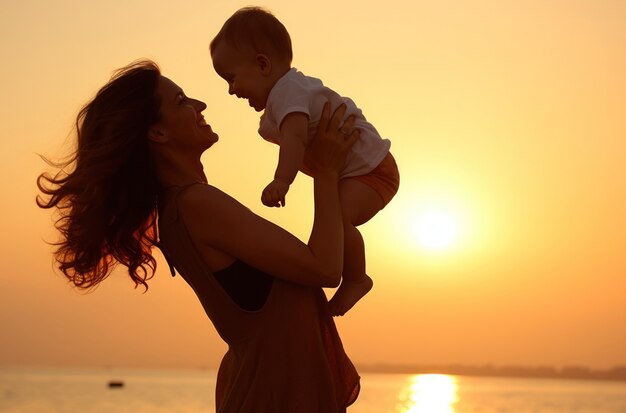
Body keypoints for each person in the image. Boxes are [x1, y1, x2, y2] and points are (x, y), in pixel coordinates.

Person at [37, 60, 361, 412]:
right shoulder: (196, 204)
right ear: (157, 133)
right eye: (181, 101)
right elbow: (325, 267)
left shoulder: (176, 211)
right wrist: (326, 172)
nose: (200, 105)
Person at [210, 6, 400, 316]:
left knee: (337, 218)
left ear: (262, 64)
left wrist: (281, 180)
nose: (232, 90)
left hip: (373, 170)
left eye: (231, 79)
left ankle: (356, 278)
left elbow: (295, 139)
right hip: (357, 172)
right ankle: (351, 275)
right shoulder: (283, 99)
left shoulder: (289, 93)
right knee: (334, 218)